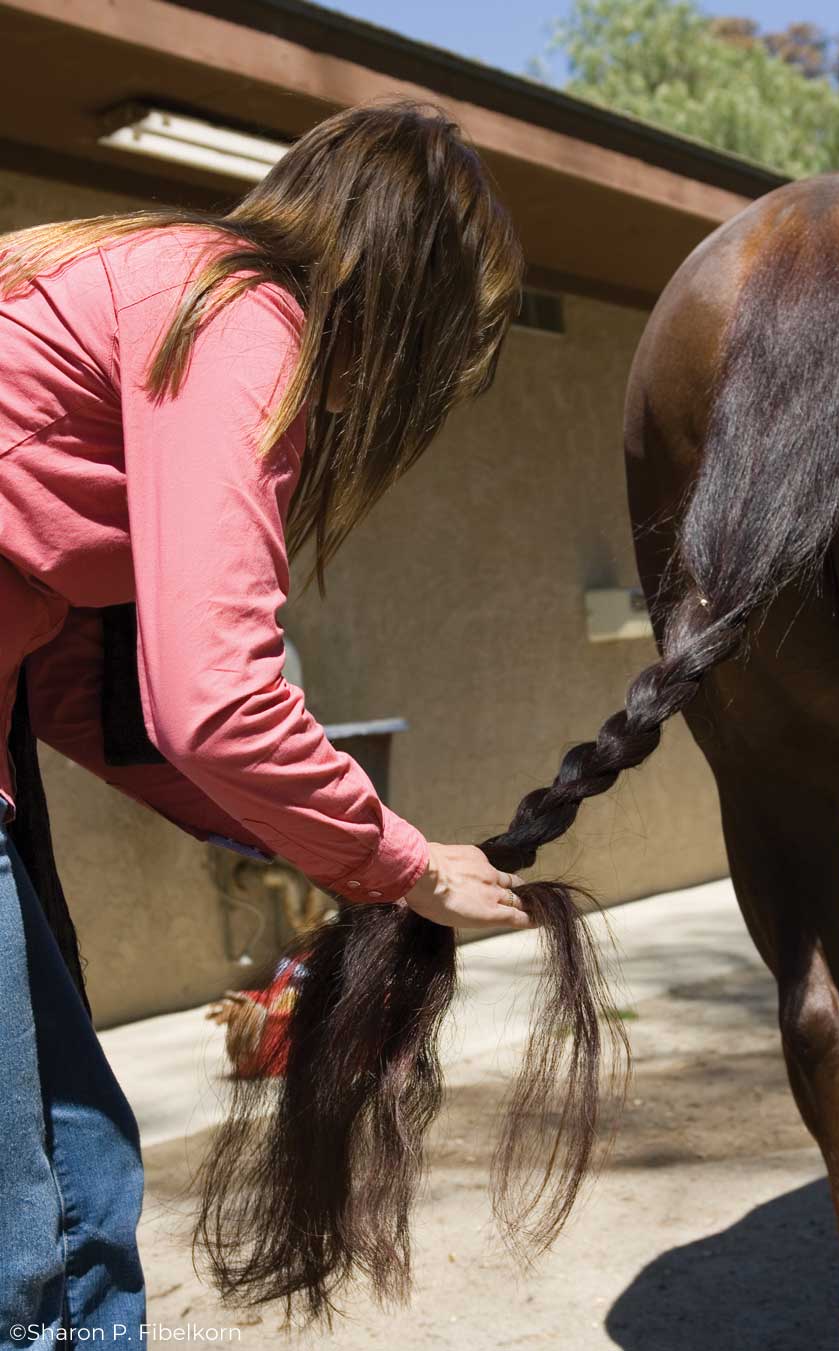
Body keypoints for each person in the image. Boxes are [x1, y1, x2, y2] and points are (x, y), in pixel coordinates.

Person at [0, 102, 531, 1344]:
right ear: (396, 303)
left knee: (78, 1176)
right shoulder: (239, 315)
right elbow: (217, 696)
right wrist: (396, 862)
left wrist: (313, 844)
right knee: (24, 1246)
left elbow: (97, 697)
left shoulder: (143, 278)